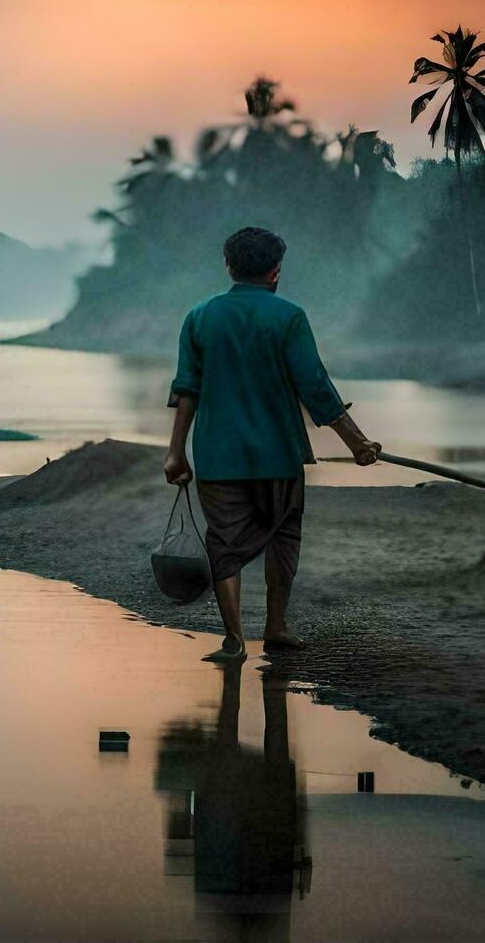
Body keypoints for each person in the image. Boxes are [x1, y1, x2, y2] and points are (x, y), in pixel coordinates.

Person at [164, 227, 380, 662]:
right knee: (284, 534)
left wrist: (175, 451)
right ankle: (276, 625)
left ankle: (234, 641)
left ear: (229, 266)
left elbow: (188, 388)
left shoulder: (200, 316)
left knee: (223, 541)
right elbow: (315, 386)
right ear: (275, 271)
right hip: (278, 453)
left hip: (218, 456)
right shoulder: (289, 317)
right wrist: (357, 443)